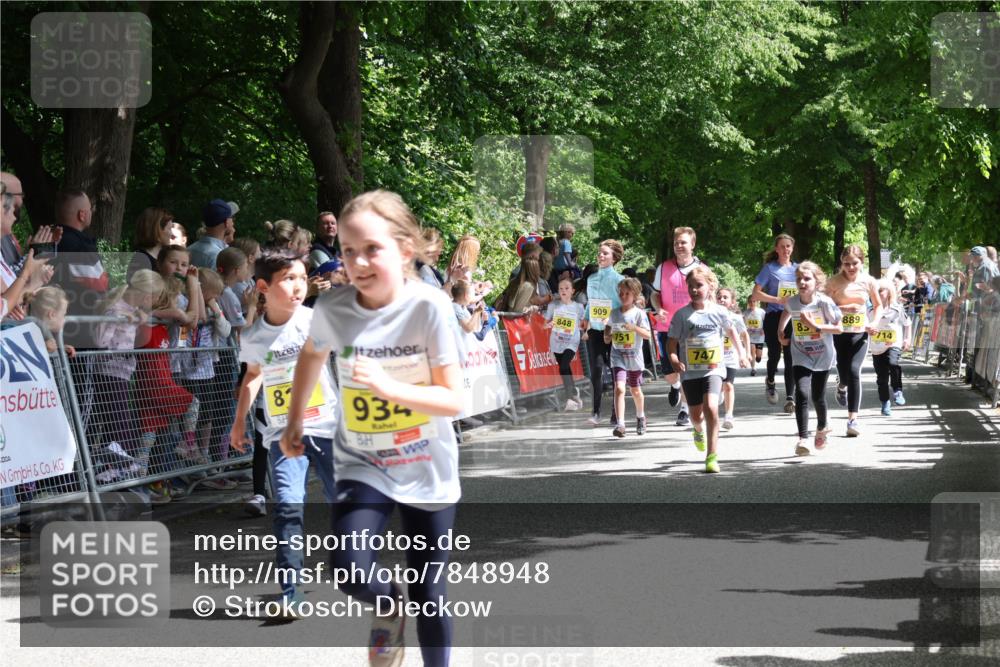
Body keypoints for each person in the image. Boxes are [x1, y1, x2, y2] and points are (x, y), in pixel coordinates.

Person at [281, 190, 464, 666]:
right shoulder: (334, 308)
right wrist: (295, 419)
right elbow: (311, 355)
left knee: (430, 591)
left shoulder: (429, 307)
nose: (358, 261)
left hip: (427, 465)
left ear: (405, 249)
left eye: (372, 249)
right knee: (349, 571)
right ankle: (387, 602)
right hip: (364, 463)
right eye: (348, 250)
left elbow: (454, 399)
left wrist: (389, 386)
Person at [230, 249, 338, 612]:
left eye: (302, 278)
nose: (298, 286)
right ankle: (291, 592)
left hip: (327, 429)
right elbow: (252, 377)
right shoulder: (254, 336)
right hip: (281, 437)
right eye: (288, 279)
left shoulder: (316, 320)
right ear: (263, 286)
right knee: (288, 510)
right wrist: (239, 420)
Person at [667, 266, 747, 473]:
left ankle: (712, 456)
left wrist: (742, 354)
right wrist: (674, 359)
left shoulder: (720, 312)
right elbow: (672, 341)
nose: (694, 290)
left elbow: (732, 332)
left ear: (710, 286)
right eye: (691, 286)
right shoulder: (682, 315)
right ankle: (697, 429)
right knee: (696, 415)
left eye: (699, 285)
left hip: (714, 369)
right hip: (690, 371)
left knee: (711, 407)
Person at [777, 262, 843, 456]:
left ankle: (822, 426)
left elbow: (839, 328)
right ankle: (803, 439)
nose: (802, 282)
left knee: (818, 396)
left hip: (823, 353)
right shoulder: (793, 301)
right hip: (801, 353)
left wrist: (814, 325)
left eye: (807, 279)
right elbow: (787, 312)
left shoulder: (824, 302)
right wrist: (780, 330)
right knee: (802, 394)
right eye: (799, 279)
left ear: (817, 281)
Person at [651, 227, 707, 427]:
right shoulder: (663, 268)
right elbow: (654, 294)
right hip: (667, 327)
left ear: (692, 244)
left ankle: (684, 409)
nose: (679, 246)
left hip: (693, 328)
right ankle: (674, 386)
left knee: (687, 370)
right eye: (676, 243)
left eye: (683, 242)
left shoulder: (702, 269)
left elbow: (710, 297)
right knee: (669, 372)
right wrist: (658, 308)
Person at [825, 245, 883, 437]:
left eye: (854, 263)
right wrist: (842, 310)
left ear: (861, 262)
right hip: (839, 332)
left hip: (860, 332)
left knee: (853, 371)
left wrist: (874, 321)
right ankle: (841, 386)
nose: (850, 268)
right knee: (843, 372)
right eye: (846, 264)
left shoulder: (869, 281)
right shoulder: (832, 282)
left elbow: (878, 305)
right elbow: (823, 307)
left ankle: (853, 420)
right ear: (841, 263)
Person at [50, 189, 110, 348]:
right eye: (90, 210)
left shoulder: (47, 241)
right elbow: (98, 287)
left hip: (50, 327)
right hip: (78, 331)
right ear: (82, 215)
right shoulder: (79, 246)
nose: (92, 214)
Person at [751, 233, 798, 413]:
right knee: (775, 355)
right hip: (774, 317)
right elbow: (756, 294)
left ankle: (790, 398)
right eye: (782, 246)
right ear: (776, 249)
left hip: (794, 318)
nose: (786, 249)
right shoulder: (769, 269)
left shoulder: (799, 269)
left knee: (790, 357)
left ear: (792, 248)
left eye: (789, 246)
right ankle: (770, 380)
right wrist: (777, 300)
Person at [585, 239, 626, 425]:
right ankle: (595, 411)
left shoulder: (619, 281)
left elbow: (623, 305)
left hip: (613, 329)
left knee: (616, 369)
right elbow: (591, 302)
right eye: (599, 253)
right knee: (596, 370)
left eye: (605, 253)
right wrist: (585, 318)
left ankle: (616, 411)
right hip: (595, 330)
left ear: (614, 258)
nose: (601, 256)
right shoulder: (591, 278)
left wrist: (612, 319)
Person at [605, 277, 651, 436]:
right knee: (619, 388)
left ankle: (641, 417)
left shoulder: (639, 314)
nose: (623, 296)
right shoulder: (614, 313)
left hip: (634, 357)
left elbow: (647, 335)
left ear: (635, 295)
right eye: (621, 293)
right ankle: (620, 425)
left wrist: (634, 328)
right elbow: (608, 328)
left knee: (636, 391)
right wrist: (607, 336)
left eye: (627, 294)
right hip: (617, 355)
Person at [544, 277, 588, 411]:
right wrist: (549, 324)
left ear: (573, 291)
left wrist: (585, 330)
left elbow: (584, 323)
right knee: (564, 368)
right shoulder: (552, 306)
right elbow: (544, 324)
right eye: (561, 289)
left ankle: (570, 397)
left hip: (571, 340)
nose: (563, 291)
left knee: (564, 365)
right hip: (556, 341)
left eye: (566, 288)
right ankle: (573, 393)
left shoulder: (578, 307)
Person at [870, 278, 912, 416]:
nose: (878, 293)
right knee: (881, 378)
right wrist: (869, 330)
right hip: (877, 347)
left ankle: (897, 390)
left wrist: (907, 338)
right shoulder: (870, 311)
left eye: (881, 290)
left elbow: (907, 323)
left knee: (892, 363)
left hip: (893, 344)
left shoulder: (897, 309)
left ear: (889, 292)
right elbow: (864, 327)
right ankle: (885, 402)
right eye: (876, 291)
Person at [716, 287, 749, 431]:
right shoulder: (711, 315)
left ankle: (729, 415)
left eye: (725, 297)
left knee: (728, 385)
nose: (721, 299)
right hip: (714, 358)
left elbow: (745, 335)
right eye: (719, 297)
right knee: (716, 389)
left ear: (732, 302)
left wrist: (746, 354)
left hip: (730, 357)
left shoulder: (735, 318)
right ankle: (719, 397)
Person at [126, 207, 174, 282]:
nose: (172, 234)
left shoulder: (159, 259)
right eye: (170, 229)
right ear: (157, 230)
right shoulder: (141, 261)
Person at [187, 199, 233, 269]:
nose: (233, 223)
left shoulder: (189, 249)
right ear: (227, 222)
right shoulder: (219, 256)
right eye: (232, 218)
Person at [744, 295, 766, 375]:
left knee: (758, 355)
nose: (752, 303)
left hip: (760, 335)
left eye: (754, 301)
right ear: (748, 303)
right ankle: (753, 368)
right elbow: (743, 324)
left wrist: (764, 329)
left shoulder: (761, 312)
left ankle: (758, 357)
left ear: (757, 302)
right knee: (752, 351)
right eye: (750, 302)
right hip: (750, 335)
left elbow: (766, 322)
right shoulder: (745, 313)